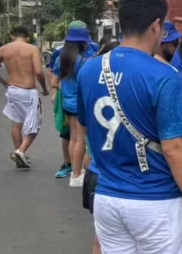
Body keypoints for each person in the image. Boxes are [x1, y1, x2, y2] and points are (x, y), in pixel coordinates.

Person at [76, 0, 182, 253]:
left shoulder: (89, 69)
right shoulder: (163, 76)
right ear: (157, 25)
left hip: (108, 197)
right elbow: (174, 149)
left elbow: (85, 128)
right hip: (156, 201)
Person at [82, 39, 119, 254]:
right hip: (120, 180)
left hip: (96, 172)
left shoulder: (89, 78)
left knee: (101, 239)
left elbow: (85, 130)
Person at [0, 26, 49, 168]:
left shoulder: (3, 49)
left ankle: (19, 156)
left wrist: (3, 81)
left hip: (12, 90)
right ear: (28, 37)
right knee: (35, 124)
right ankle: (20, 151)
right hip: (27, 91)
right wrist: (44, 88)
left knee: (17, 122)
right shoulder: (31, 49)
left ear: (12, 36)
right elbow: (38, 72)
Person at [51, 20, 99, 179]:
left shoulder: (61, 58)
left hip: (67, 102)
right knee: (80, 140)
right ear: (83, 43)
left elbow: (54, 82)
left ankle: (73, 169)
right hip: (80, 103)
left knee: (72, 138)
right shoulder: (83, 61)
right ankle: (77, 174)